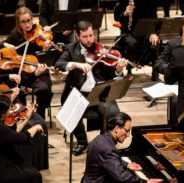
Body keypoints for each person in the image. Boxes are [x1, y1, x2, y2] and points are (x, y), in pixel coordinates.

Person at [0, 39, 49, 170]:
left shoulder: (3, 66)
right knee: (22, 131)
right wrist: (7, 78)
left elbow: (21, 83)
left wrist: (35, 74)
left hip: (15, 105)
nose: (0, 54)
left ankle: (36, 164)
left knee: (41, 123)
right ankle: (21, 165)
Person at [54, 20, 128, 156]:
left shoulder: (102, 50)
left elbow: (110, 74)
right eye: (85, 37)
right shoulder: (71, 49)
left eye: (91, 35)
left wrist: (118, 69)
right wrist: (76, 65)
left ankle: (105, 142)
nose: (89, 40)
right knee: (71, 113)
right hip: (79, 94)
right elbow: (59, 64)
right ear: (78, 36)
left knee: (114, 114)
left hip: (99, 92)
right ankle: (82, 142)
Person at [2, 6, 53, 121]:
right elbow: (2, 47)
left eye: (29, 20)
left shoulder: (39, 33)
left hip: (38, 70)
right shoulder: (15, 36)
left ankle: (40, 116)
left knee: (44, 89)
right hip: (22, 72)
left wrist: (45, 49)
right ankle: (22, 116)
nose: (27, 24)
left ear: (32, 19)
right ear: (18, 23)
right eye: (23, 22)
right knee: (16, 89)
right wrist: (6, 46)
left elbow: (46, 56)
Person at [0, 94, 43, 183]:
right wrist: (36, 127)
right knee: (35, 175)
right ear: (3, 112)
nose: (11, 110)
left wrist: (27, 117)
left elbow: (12, 134)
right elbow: (23, 138)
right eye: (9, 108)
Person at [81, 112, 163, 183]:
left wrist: (127, 164)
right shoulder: (109, 149)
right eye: (127, 131)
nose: (128, 135)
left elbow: (107, 160)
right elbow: (121, 177)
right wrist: (145, 181)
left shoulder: (100, 138)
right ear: (117, 128)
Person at [114, 0, 160, 81]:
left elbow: (154, 18)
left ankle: (155, 70)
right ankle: (129, 68)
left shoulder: (149, 2)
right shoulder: (122, 2)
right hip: (128, 32)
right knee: (131, 43)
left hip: (145, 31)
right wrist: (125, 13)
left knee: (155, 41)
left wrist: (153, 32)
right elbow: (117, 18)